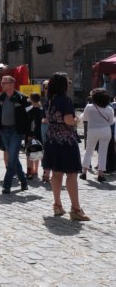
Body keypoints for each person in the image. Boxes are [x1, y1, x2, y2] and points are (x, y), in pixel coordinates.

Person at [43, 72, 89, 221]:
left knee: (56, 173)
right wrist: (77, 120)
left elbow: (48, 119)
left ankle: (57, 205)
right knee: (71, 174)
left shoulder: (49, 100)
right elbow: (68, 120)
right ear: (63, 85)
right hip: (66, 140)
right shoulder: (65, 100)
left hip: (52, 139)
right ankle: (76, 209)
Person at [0, 75, 30, 195]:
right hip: (4, 130)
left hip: (16, 131)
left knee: (11, 158)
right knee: (14, 158)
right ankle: (24, 181)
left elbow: (29, 118)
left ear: (12, 84)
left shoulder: (22, 98)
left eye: (4, 83)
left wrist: (29, 134)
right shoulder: (0, 97)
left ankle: (6, 185)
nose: (2, 85)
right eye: (2, 83)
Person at [81, 88, 114, 183]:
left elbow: (85, 118)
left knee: (89, 151)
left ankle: (84, 173)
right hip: (105, 131)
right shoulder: (109, 109)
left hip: (92, 130)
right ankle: (101, 174)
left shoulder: (89, 107)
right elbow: (111, 122)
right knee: (103, 152)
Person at [26, 93, 46, 180]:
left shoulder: (28, 110)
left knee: (29, 153)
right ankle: (37, 171)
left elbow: (29, 123)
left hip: (30, 133)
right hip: (39, 133)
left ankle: (29, 172)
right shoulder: (42, 110)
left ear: (31, 99)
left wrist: (30, 134)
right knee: (38, 152)